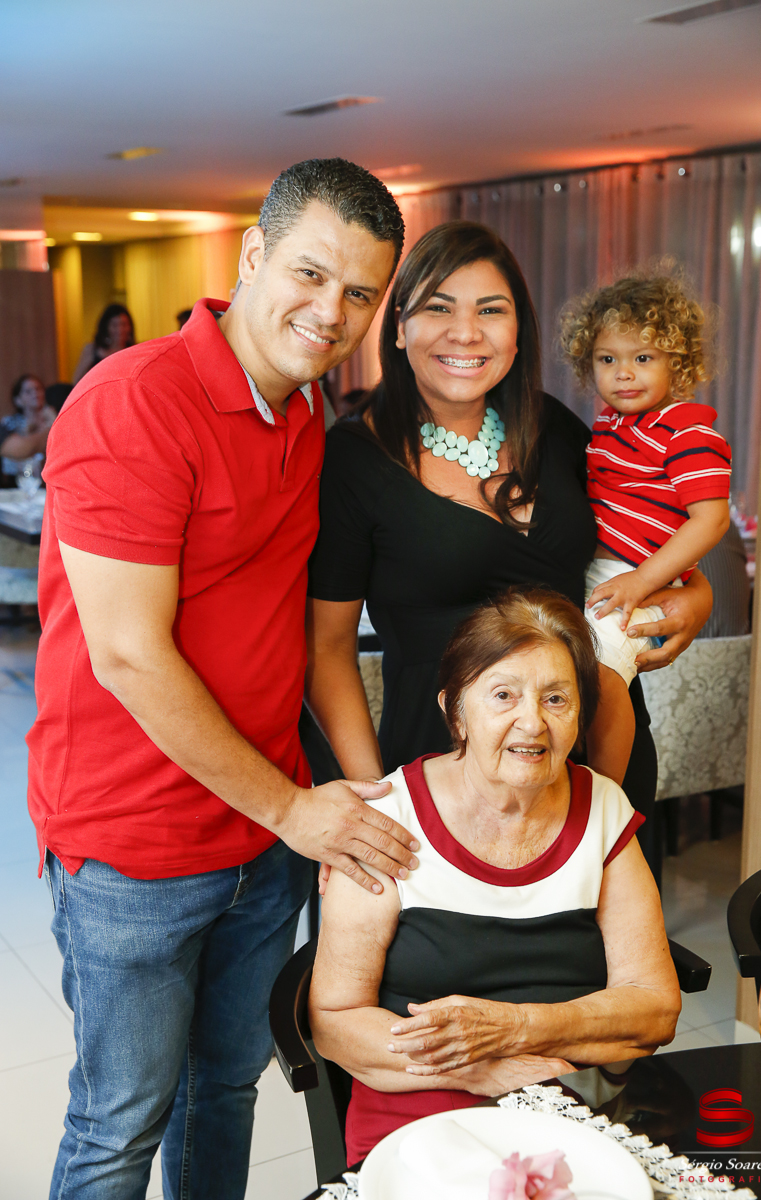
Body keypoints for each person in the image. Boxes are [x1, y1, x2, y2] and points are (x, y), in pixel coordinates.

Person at [27, 158, 420, 1200]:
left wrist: (316, 807)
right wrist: (294, 809)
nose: (330, 313)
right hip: (136, 846)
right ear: (252, 256)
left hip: (262, 838)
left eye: (359, 294)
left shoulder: (302, 413)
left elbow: (297, 628)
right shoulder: (134, 401)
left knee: (226, 1092)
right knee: (120, 1122)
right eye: (309, 274)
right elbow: (127, 653)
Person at [305, 222, 713, 877]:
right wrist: (376, 800)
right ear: (399, 326)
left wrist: (698, 595)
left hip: (595, 750)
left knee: (612, 938)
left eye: (490, 311)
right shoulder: (354, 460)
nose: (466, 333)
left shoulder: (552, 427)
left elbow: (650, 528)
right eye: (439, 308)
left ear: (518, 331)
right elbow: (326, 651)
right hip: (444, 774)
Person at [309, 588, 681, 1164]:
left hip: (575, 1107)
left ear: (580, 716)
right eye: (503, 695)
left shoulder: (603, 809)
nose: (531, 722)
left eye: (556, 699)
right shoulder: (387, 821)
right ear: (455, 712)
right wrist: (476, 1067)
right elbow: (335, 1021)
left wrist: (515, 1029)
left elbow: (655, 1008)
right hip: (419, 1113)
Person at [559, 272, 731, 781]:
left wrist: (643, 580)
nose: (624, 374)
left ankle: (607, 796)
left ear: (677, 362)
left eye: (642, 358)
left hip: (641, 576)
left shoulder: (687, 430)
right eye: (607, 359)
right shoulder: (607, 428)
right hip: (602, 573)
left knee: (604, 669)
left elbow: (712, 519)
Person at [1, 373, 56, 483]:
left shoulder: (52, 417)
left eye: (38, 389)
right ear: (18, 400)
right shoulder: (10, 423)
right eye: (28, 391)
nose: (35, 393)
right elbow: (10, 463)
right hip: (16, 482)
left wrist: (53, 421)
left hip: (48, 480)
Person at [72, 302, 136, 383]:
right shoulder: (92, 350)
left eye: (123, 324)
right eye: (114, 325)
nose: (120, 330)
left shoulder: (135, 350)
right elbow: (77, 380)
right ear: (106, 327)